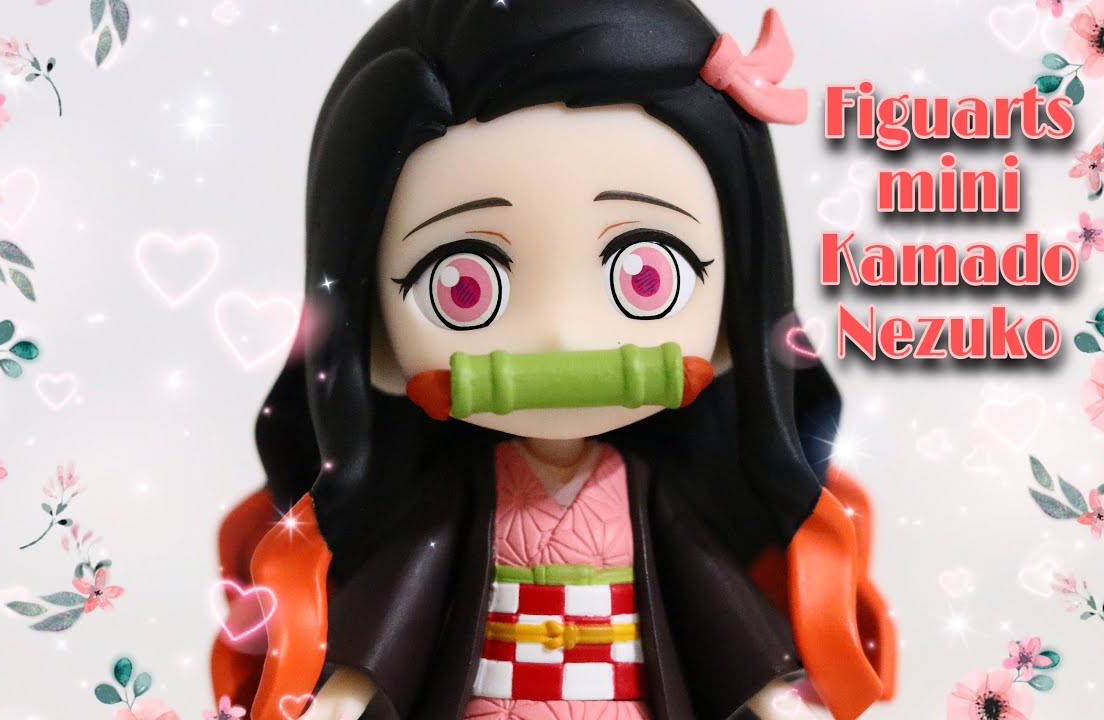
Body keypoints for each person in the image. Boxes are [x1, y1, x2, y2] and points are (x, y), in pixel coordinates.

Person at [211, 2, 896, 718]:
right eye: (463, 286)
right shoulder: (457, 501)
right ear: (375, 343)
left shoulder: (652, 499)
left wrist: (776, 697)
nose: (562, 334)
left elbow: (716, 608)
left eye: (646, 276)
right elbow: (397, 607)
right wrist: (341, 695)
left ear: (734, 321)